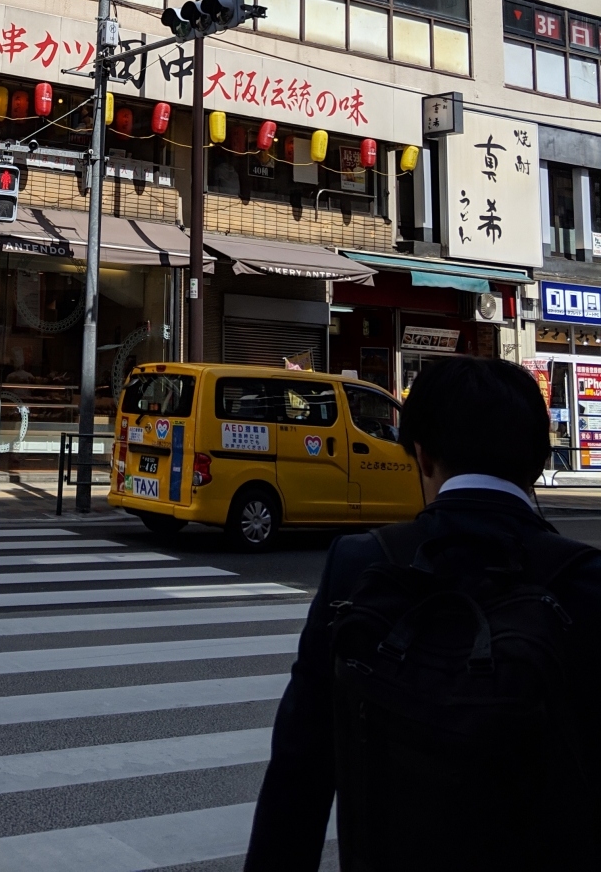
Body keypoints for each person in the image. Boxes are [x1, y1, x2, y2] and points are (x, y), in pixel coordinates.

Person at [244, 357, 601, 872]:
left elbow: (299, 771)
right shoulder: (585, 581)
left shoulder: (360, 563)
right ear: (539, 461)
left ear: (422, 454)